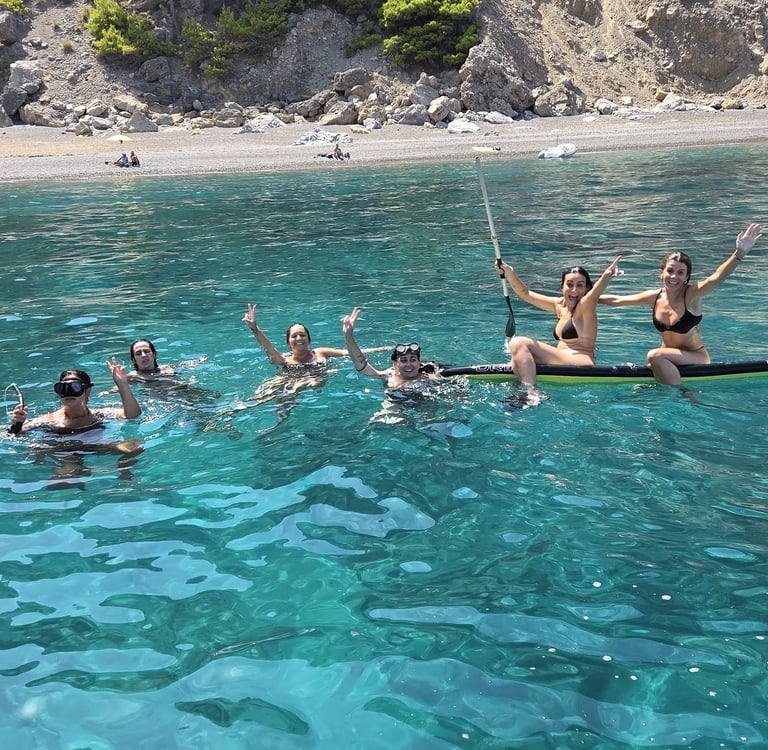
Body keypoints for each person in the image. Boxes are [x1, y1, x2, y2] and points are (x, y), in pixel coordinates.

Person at [600, 223, 763, 390]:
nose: (674, 276)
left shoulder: (692, 295)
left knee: (653, 355)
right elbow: (617, 300)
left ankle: (684, 393)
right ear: (661, 272)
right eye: (670, 271)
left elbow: (715, 278)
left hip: (695, 358)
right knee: (639, 387)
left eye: (680, 272)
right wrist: (583, 295)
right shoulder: (654, 297)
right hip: (668, 357)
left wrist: (740, 253)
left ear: (686, 277)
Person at [496, 256, 623, 396]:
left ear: (587, 288)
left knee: (518, 342)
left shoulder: (586, 307)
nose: (574, 290)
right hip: (562, 359)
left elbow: (593, 295)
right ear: (562, 286)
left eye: (580, 285)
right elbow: (526, 294)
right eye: (569, 284)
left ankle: (531, 393)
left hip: (580, 362)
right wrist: (509, 272)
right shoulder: (559, 306)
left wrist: (606, 277)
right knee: (517, 357)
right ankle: (519, 386)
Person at [7, 360, 141, 436]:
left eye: (75, 387)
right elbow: (15, 435)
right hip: (62, 450)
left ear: (87, 391)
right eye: (62, 388)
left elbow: (132, 415)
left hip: (93, 446)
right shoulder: (49, 420)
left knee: (132, 447)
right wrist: (17, 423)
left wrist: (123, 385)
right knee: (67, 474)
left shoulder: (100, 415)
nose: (68, 393)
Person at [242, 303, 386, 371]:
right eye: (294, 336)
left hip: (306, 386)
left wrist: (383, 349)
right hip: (288, 381)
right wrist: (255, 328)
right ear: (288, 343)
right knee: (263, 395)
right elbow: (268, 348)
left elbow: (348, 353)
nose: (298, 338)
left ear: (309, 340)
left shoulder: (321, 352)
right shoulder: (285, 360)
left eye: (302, 335)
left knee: (304, 386)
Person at [341, 307, 441, 390]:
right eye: (403, 360)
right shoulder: (390, 375)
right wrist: (348, 335)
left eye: (413, 360)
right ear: (395, 364)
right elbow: (361, 364)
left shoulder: (429, 377)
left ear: (419, 363)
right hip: (395, 404)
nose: (409, 365)